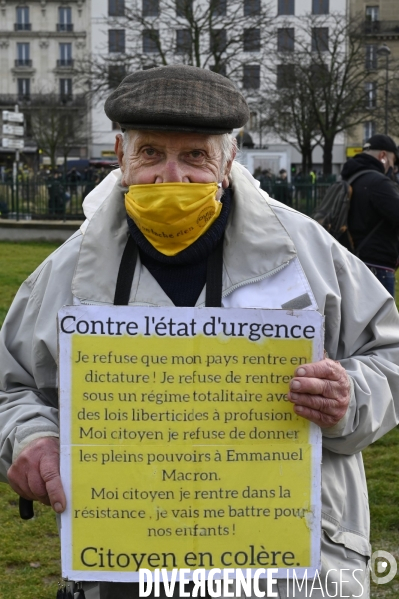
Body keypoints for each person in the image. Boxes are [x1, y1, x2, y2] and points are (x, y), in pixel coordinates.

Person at [1, 65, 399, 599]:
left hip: (289, 573)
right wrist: (30, 438)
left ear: (229, 158)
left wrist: (350, 396)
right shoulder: (65, 272)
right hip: (128, 569)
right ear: (120, 155)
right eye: (151, 154)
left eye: (194, 156)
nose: (172, 176)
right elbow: (13, 385)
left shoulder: (308, 254)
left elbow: (389, 354)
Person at [342, 134, 399, 297]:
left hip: (353, 261)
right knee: (381, 322)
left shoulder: (351, 178)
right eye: (393, 161)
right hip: (377, 266)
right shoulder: (378, 183)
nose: (393, 168)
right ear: (383, 156)